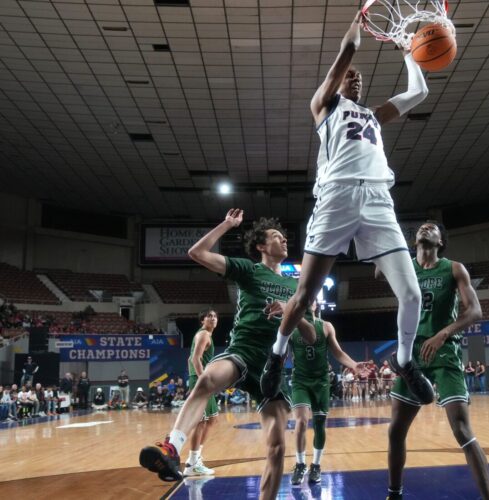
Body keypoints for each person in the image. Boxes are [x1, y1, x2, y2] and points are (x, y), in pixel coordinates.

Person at [260, 10, 434, 407]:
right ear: (338, 81)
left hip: (377, 199)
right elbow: (351, 47)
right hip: (336, 197)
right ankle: (276, 353)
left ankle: (406, 362)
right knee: (304, 294)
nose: (355, 77)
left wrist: (410, 51)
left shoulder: (373, 114)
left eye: (359, 77)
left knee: (411, 295)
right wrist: (361, 16)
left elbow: (419, 93)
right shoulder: (324, 106)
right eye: (349, 75)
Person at [139, 213, 316, 500]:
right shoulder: (248, 270)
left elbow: (311, 336)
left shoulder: (295, 288)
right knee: (208, 378)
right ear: (260, 246)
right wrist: (227, 226)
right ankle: (172, 447)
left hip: (272, 369)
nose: (283, 239)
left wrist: (289, 310)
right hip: (243, 352)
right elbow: (196, 253)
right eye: (275, 237)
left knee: (277, 449)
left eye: (283, 237)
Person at [386, 221, 489, 500]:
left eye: (431, 227)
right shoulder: (406, 266)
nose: (424, 229)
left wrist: (443, 333)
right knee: (396, 429)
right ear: (414, 242)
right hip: (412, 354)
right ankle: (394, 494)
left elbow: (476, 311)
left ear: (441, 241)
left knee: (461, 430)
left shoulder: (454, 268)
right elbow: (378, 268)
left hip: (444, 350)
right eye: (421, 227)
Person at [290, 302, 362, 487]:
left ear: (315, 305)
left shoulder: (326, 326)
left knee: (320, 423)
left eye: (312, 299)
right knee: (301, 421)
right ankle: (300, 464)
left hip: (321, 382)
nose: (308, 301)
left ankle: (316, 465)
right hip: (300, 380)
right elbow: (281, 352)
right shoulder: (291, 325)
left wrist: (353, 365)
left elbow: (337, 352)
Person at [183, 309, 220, 477]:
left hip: (199, 379)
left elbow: (189, 358)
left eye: (215, 316)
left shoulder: (204, 335)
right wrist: (201, 379)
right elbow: (195, 358)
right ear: (202, 320)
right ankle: (192, 463)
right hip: (201, 380)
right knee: (201, 422)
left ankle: (196, 459)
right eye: (209, 316)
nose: (212, 318)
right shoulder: (204, 334)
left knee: (212, 419)